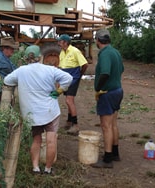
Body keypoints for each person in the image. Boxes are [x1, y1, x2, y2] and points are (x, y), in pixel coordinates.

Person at [4, 45, 72, 174]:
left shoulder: (21, 71)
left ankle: (35, 167)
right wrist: (59, 91)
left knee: (36, 139)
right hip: (50, 111)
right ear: (40, 57)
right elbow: (68, 78)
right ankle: (48, 169)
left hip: (32, 113)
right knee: (51, 140)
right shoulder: (50, 69)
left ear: (26, 58)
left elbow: (7, 80)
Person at [91, 29, 124, 168]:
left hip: (107, 93)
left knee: (106, 126)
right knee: (113, 124)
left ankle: (107, 159)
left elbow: (105, 73)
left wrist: (98, 89)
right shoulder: (115, 52)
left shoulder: (104, 54)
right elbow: (121, 69)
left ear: (98, 40)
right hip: (118, 91)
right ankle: (115, 153)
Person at [57, 34, 88, 135]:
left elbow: (85, 64)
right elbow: (61, 67)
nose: (58, 43)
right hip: (65, 79)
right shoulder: (62, 52)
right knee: (68, 100)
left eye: (60, 41)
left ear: (65, 42)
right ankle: (69, 121)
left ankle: (75, 125)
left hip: (73, 78)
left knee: (69, 100)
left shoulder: (75, 51)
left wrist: (79, 75)